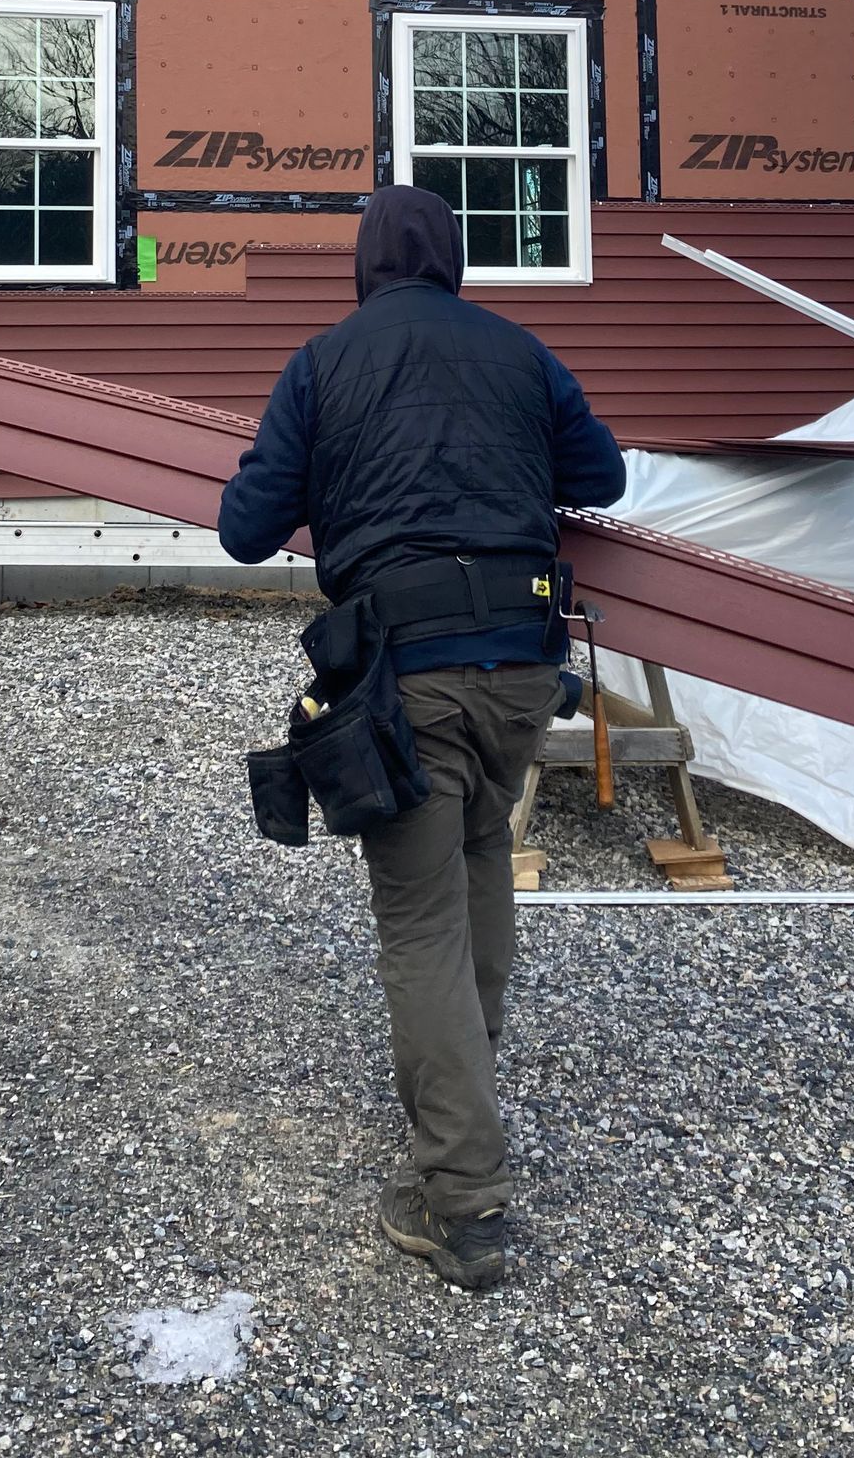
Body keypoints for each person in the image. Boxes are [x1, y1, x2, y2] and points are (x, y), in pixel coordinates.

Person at [218, 183, 626, 1291]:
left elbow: (246, 528)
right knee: (483, 856)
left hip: (406, 678)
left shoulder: (322, 363)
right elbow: (604, 476)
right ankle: (464, 1101)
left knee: (419, 924)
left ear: (362, 264)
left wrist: (326, 475)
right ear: (452, 260)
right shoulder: (519, 351)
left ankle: (466, 1200)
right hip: (522, 669)